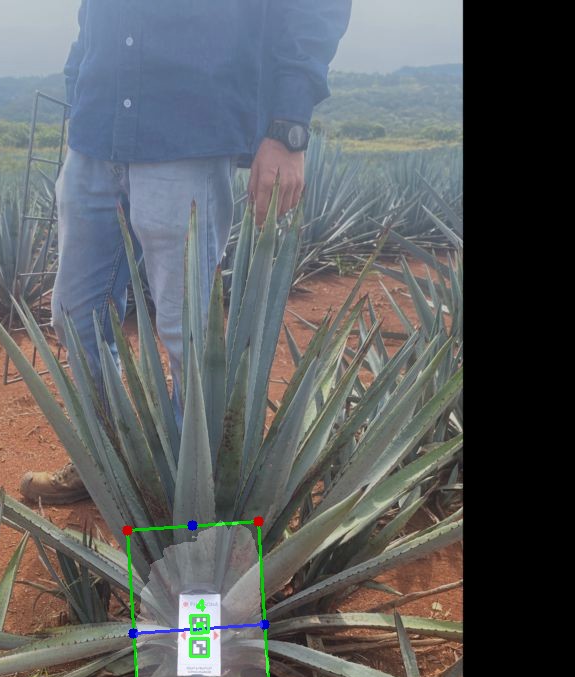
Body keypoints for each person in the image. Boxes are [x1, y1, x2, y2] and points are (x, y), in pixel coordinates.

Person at [19, 0, 352, 505]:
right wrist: (79, 82)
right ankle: (108, 459)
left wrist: (289, 127)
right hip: (95, 132)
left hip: (189, 130)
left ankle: (189, 493)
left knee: (188, 336)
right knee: (75, 315)